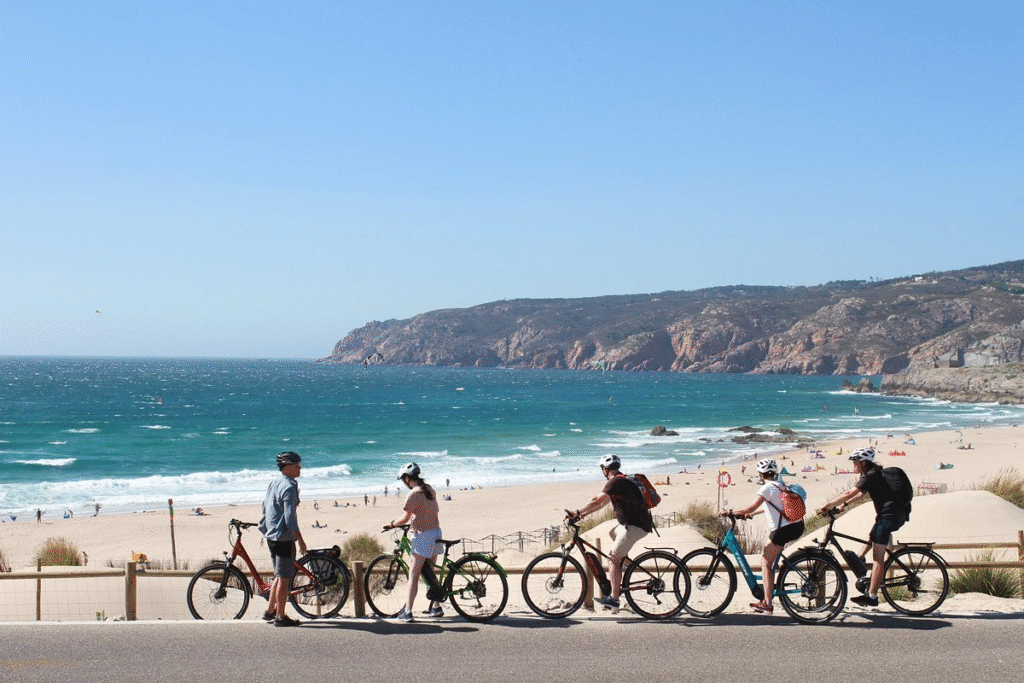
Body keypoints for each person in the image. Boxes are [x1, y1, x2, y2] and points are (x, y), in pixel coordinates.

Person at [819, 446, 907, 607]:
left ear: (864, 462)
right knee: (873, 535)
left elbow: (850, 492)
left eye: (856, 462)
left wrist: (828, 505)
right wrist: (844, 505)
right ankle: (860, 558)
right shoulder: (875, 473)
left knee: (878, 558)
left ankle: (872, 596)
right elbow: (861, 494)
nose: (854, 465)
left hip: (889, 517)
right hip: (891, 515)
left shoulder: (869, 475)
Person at [720, 458, 805, 615]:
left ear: (760, 475)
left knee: (765, 562)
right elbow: (772, 505)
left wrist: (730, 512)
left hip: (783, 529)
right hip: (795, 525)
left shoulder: (766, 488)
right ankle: (769, 589)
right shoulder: (780, 485)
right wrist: (750, 515)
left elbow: (751, 506)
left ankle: (767, 604)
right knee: (768, 559)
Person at [568, 454, 652, 609]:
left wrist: (577, 512)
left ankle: (614, 599)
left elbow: (596, 500)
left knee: (612, 559)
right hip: (634, 524)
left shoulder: (615, 482)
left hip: (635, 526)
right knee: (613, 533)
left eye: (603, 469)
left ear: (605, 469)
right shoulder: (620, 481)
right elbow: (601, 504)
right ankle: (626, 565)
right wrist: (581, 515)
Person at [387, 462, 443, 622]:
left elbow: (404, 518)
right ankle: (436, 607)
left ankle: (408, 612)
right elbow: (434, 510)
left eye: (403, 480)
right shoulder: (429, 489)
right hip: (436, 532)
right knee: (430, 572)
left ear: (407, 478)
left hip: (423, 536)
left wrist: (392, 524)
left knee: (414, 574)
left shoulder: (413, 494)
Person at [258, 451, 307, 627]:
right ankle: (280, 616)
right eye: (296, 466)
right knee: (285, 578)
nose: (299, 468)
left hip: (271, 535)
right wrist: (300, 539)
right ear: (287, 468)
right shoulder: (289, 486)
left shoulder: (275, 482)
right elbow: (290, 518)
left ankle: (270, 611)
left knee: (279, 575)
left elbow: (265, 506)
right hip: (283, 538)